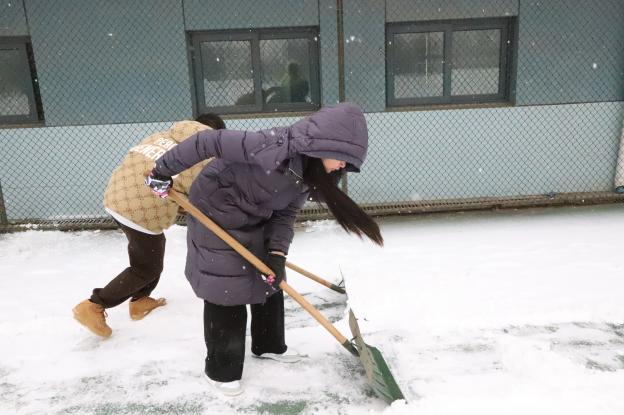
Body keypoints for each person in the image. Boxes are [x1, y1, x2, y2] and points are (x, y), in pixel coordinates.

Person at [145, 102, 383, 396]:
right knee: (227, 285)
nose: (344, 167)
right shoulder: (270, 146)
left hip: (256, 217)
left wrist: (277, 254)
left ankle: (269, 345)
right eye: (343, 159)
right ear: (324, 145)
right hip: (215, 209)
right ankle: (221, 370)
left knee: (269, 276)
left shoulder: (306, 175)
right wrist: (162, 171)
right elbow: (207, 141)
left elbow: (285, 215)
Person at [72, 113, 226, 338]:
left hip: (117, 195)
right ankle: (95, 304)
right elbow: (202, 194)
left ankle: (140, 300)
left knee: (150, 250)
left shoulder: (161, 136)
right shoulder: (204, 156)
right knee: (145, 268)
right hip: (142, 210)